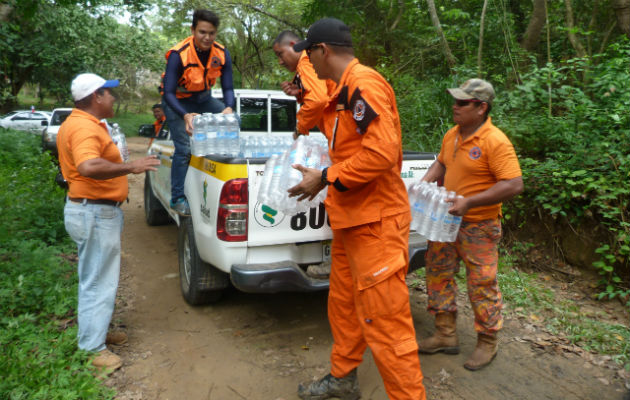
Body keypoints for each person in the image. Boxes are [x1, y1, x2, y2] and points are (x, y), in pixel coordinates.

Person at [287, 18, 426, 400]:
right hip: (351, 221)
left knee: (386, 323)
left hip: (376, 224)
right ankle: (342, 380)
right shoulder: (340, 89)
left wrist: (326, 176)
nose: (306, 63)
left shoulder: (365, 84)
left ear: (323, 51)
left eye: (308, 54)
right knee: (345, 307)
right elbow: (336, 126)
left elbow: (382, 153)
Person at [417, 79, 523, 371]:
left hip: (479, 225)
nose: (455, 106)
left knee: (482, 283)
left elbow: (514, 184)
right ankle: (445, 334)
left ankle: (488, 341)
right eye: (455, 100)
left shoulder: (495, 141)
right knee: (438, 273)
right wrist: (423, 184)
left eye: (463, 103)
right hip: (445, 221)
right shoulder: (452, 134)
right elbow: (441, 163)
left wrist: (470, 202)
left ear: (481, 108)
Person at [57, 73, 160, 372]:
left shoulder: (80, 123)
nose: (114, 97)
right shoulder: (83, 128)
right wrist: (132, 166)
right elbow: (88, 165)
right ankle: (92, 349)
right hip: (94, 213)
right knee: (98, 281)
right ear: (95, 97)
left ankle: (96, 332)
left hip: (91, 210)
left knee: (97, 276)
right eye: (109, 93)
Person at [161, 9, 236, 216]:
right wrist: (185, 115)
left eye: (211, 33)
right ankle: (177, 198)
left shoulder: (221, 53)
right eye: (202, 32)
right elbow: (167, 92)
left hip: (203, 99)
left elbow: (228, 88)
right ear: (193, 30)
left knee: (233, 121)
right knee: (184, 147)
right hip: (177, 102)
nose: (207, 37)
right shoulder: (179, 54)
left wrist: (228, 107)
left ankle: (222, 179)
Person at [272, 30, 334, 138]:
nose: (280, 62)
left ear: (293, 45)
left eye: (280, 54)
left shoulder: (306, 61)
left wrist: (299, 129)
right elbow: (325, 94)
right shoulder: (311, 59)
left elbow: (318, 100)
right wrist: (300, 92)